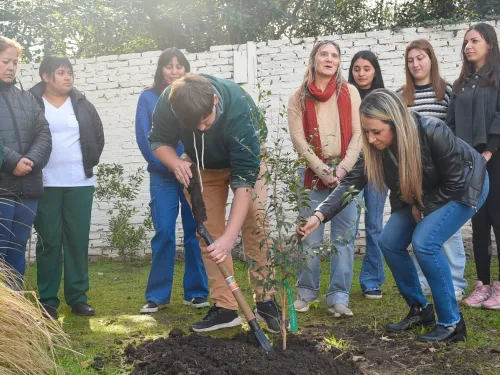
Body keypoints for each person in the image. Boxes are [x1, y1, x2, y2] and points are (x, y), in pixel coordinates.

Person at [299, 89, 488, 342]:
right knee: (389, 242)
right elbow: (350, 184)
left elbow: (454, 182)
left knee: (425, 243)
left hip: (465, 186)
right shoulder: (376, 148)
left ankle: (452, 322)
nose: (371, 138)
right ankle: (420, 309)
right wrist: (319, 215)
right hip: (422, 194)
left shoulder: (432, 130)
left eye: (376, 131)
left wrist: (422, 207)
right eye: (366, 132)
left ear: (395, 123)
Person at [149, 73, 284, 333]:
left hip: (246, 162)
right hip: (201, 166)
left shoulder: (239, 108)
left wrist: (230, 238)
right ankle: (225, 308)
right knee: (209, 234)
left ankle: (266, 300)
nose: (201, 129)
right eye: (193, 126)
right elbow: (159, 141)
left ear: (214, 101)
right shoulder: (169, 101)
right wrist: (175, 162)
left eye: (206, 121)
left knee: (257, 223)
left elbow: (244, 184)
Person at [288, 40, 362, 317]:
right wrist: (322, 170)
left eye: (335, 55)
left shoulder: (350, 92)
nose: (329, 59)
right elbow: (298, 140)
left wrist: (342, 170)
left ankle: (339, 297)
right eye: (324, 54)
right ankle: (306, 292)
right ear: (314, 60)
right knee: (310, 237)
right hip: (312, 175)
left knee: (344, 237)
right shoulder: (298, 97)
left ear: (339, 62)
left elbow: (358, 134)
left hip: (346, 173)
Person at [135, 48, 209, 314]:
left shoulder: (195, 95)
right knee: (164, 232)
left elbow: (202, 134)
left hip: (192, 173)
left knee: (195, 232)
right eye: (169, 66)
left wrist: (188, 164)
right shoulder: (148, 98)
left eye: (180, 66)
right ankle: (157, 295)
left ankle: (197, 293)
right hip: (162, 176)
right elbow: (147, 141)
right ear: (160, 70)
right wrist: (170, 164)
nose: (174, 71)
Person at [29, 56, 104, 318]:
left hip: (79, 183)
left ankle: (78, 297)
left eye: (70, 72)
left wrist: (89, 162)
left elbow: (97, 136)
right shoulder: (31, 102)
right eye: (61, 73)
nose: (68, 77)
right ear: (46, 77)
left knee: (77, 240)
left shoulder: (81, 104)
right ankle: (48, 299)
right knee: (49, 240)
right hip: (45, 182)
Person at [398, 39, 467, 301]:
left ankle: (457, 282)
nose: (416, 64)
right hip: (416, 174)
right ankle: (426, 281)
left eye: (420, 58)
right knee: (422, 227)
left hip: (443, 170)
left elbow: (453, 131)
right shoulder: (401, 96)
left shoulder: (447, 92)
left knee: (448, 229)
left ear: (431, 59)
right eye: (410, 60)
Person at [447, 23, 500, 310]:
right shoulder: (462, 83)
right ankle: (483, 285)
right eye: (465, 41)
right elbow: (451, 123)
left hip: (495, 157)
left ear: (489, 45)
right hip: (469, 162)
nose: (468, 45)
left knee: (498, 220)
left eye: (474, 40)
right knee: (478, 223)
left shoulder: (497, 77)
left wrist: (490, 150)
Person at [0, 36, 52, 289]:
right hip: (2, 188)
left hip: (27, 187)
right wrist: (12, 162)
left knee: (18, 249)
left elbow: (44, 132)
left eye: (15, 62)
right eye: (5, 61)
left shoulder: (27, 98)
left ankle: (16, 314)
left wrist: (30, 160)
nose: (11, 67)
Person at [348, 50, 388, 299]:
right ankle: (341, 283)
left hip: (377, 169)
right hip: (351, 169)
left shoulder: (384, 98)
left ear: (375, 71)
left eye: (366, 68)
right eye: (356, 68)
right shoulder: (344, 98)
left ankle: (372, 280)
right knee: (349, 228)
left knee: (374, 225)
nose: (361, 73)